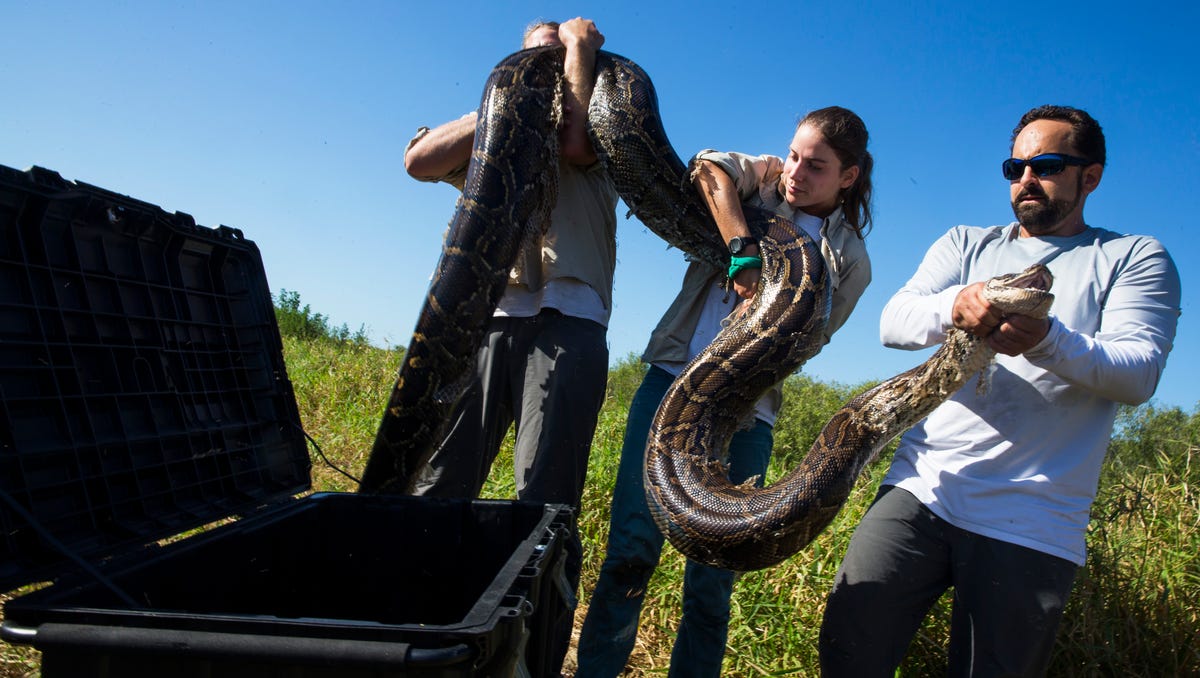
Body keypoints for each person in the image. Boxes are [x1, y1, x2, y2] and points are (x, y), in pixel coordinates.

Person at [819, 105, 1182, 677]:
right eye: (1015, 167)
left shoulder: (1132, 258)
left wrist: (1046, 341)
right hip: (921, 489)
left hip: (1033, 519)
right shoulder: (967, 243)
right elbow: (894, 322)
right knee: (848, 650)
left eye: (1047, 165)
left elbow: (1137, 372)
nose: (1025, 180)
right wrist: (954, 304)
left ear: (1091, 176)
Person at [576, 106, 875, 678]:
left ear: (849, 176)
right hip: (671, 379)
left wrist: (761, 321)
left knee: (713, 582)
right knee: (630, 554)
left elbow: (812, 339)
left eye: (815, 166)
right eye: (794, 155)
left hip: (748, 415)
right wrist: (742, 248)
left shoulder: (852, 260)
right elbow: (707, 168)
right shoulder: (760, 184)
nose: (795, 172)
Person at [400, 18, 616, 676]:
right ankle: (417, 641)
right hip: (480, 318)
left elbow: (576, 145)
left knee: (544, 503)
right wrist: (509, 90)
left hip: (568, 322)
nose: (545, 69)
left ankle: (535, 659)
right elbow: (418, 160)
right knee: (438, 484)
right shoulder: (499, 121)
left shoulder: (603, 118)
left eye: (555, 60)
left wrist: (578, 51)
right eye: (533, 58)